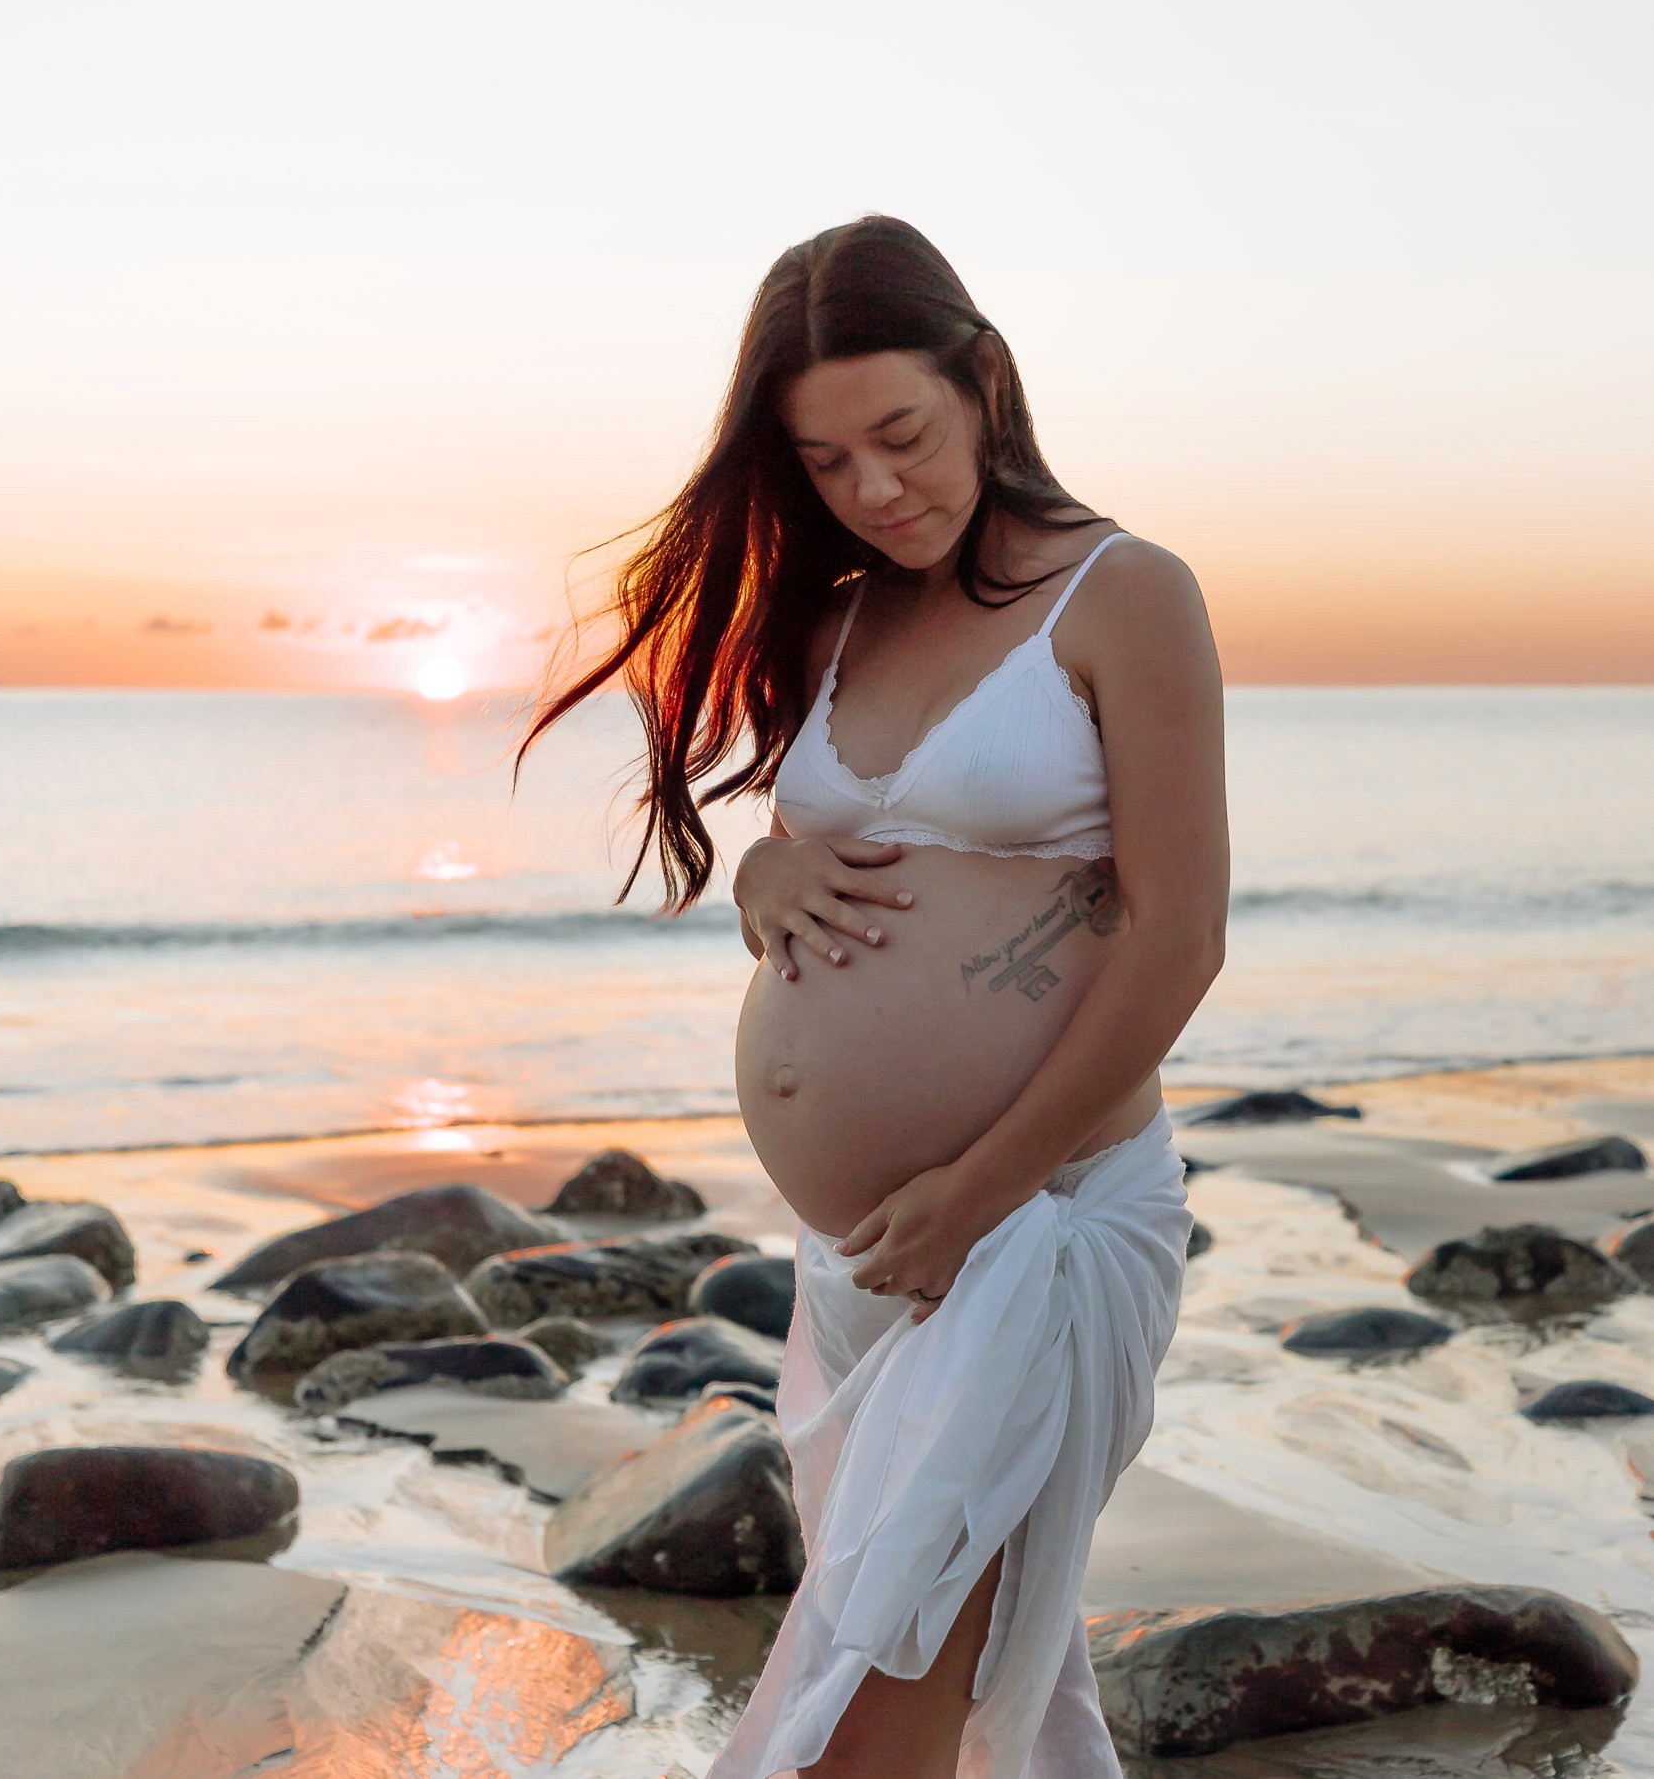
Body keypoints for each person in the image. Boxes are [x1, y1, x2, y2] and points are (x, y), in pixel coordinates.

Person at [520, 214, 1229, 1779]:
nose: (874, 488)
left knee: (874, 1717)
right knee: (901, 1684)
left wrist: (984, 1183)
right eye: (826, 462)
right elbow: (837, 851)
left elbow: (1178, 936)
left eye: (899, 435)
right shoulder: (847, 616)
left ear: (985, 381)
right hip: (864, 1271)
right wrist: (766, 873)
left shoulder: (1124, 594)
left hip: (1031, 1232)